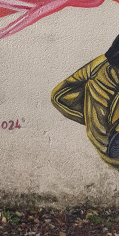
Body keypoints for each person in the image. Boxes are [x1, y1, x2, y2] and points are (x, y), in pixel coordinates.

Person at [51, 33, 119, 168]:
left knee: (99, 134)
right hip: (106, 64)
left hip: (108, 67)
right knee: (58, 97)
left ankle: (114, 127)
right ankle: (114, 126)